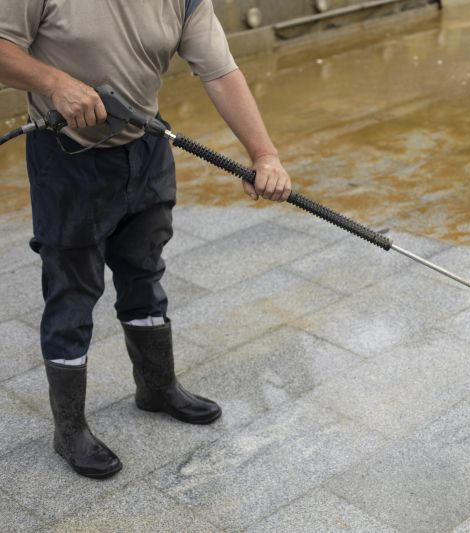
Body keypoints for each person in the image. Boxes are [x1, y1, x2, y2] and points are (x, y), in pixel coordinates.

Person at [0, 0, 290, 479]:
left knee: (144, 271)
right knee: (73, 289)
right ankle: (69, 429)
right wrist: (54, 82)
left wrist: (264, 155)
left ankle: (156, 388)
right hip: (66, 159)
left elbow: (220, 72)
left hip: (147, 147)